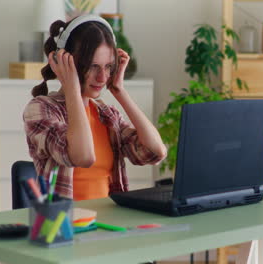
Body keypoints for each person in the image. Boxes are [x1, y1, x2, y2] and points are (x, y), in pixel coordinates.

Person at [23, 15, 167, 201]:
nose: (102, 77)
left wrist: (119, 91)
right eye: (93, 66)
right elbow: (83, 157)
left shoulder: (106, 115)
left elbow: (155, 152)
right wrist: (72, 88)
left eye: (108, 67)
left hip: (109, 223)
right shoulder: (40, 110)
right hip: (64, 225)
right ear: (68, 63)